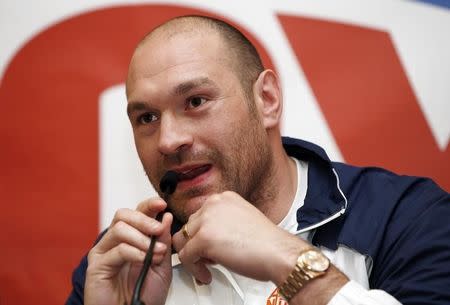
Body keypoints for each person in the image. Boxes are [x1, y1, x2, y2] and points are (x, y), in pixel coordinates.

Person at [66, 15, 450, 305]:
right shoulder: (125, 261)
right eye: (147, 118)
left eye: (196, 102)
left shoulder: (404, 217)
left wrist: (286, 259)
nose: (168, 141)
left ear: (266, 100)